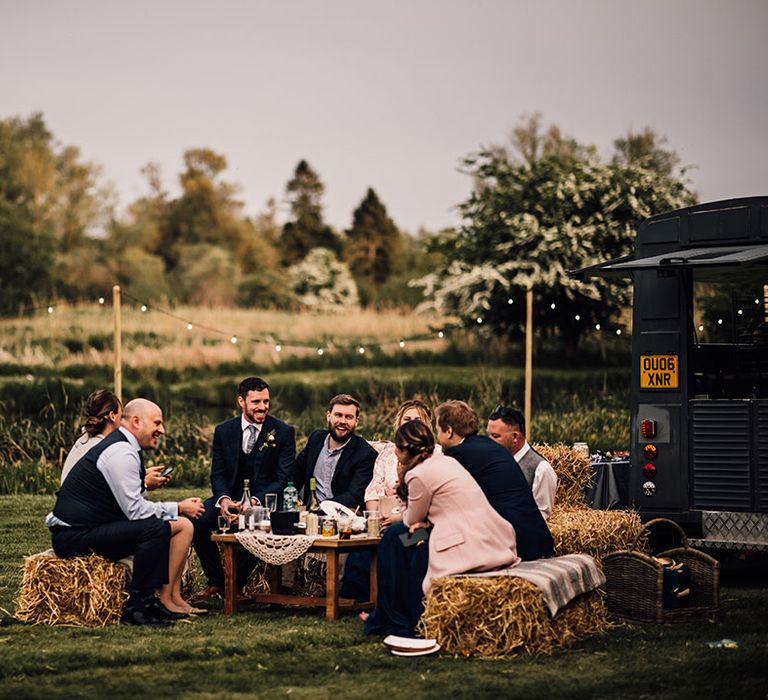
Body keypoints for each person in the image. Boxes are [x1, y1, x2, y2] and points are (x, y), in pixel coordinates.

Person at [45, 398, 206, 626]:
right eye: (157, 423)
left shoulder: (124, 446)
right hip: (73, 536)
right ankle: (137, 607)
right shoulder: (120, 452)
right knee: (154, 528)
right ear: (137, 422)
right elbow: (136, 512)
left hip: (90, 528)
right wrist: (178, 507)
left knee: (161, 525)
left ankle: (157, 601)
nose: (162, 430)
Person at [364, 420, 519, 638]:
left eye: (397, 451)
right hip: (486, 534)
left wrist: (402, 481)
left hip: (460, 539)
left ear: (403, 451)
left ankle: (393, 618)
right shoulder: (446, 462)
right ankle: (388, 614)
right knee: (401, 541)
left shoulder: (417, 474)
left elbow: (411, 519)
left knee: (392, 539)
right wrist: (421, 523)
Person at [192, 376, 296, 601]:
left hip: (264, 501)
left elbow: (283, 477)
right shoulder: (223, 431)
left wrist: (255, 502)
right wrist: (224, 500)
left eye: (266, 401)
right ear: (241, 401)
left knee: (257, 525)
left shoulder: (283, 432)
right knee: (196, 520)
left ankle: (233, 584)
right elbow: (217, 473)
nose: (263, 407)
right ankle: (217, 581)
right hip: (230, 497)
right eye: (256, 402)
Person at [437, 400, 554, 561]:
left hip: (515, 544)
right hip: (535, 540)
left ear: (449, 431)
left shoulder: (459, 454)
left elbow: (444, 501)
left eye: (437, 430)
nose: (437, 437)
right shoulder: (487, 446)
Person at [62, 390, 170, 492]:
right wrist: (144, 484)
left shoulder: (84, 441)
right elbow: (108, 493)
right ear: (112, 416)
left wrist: (141, 474)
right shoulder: (103, 449)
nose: (123, 420)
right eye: (121, 415)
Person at [294, 394, 377, 511]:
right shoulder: (316, 439)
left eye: (349, 417)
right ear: (328, 416)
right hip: (309, 513)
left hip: (342, 516)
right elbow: (296, 472)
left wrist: (323, 508)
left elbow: (354, 495)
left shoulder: (366, 454)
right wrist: (291, 496)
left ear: (356, 421)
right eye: (338, 415)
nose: (342, 421)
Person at [364, 399, 439, 526]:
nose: (411, 424)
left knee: (399, 538)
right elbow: (373, 491)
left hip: (424, 525)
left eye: (417, 420)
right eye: (407, 419)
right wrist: (375, 518)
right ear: (399, 423)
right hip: (386, 517)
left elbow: (431, 499)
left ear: (427, 425)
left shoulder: (436, 454)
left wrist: (401, 517)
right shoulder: (388, 453)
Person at [486, 406, 558, 520]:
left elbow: (541, 515)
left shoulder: (541, 469)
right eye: (488, 435)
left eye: (495, 436)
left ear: (515, 437)